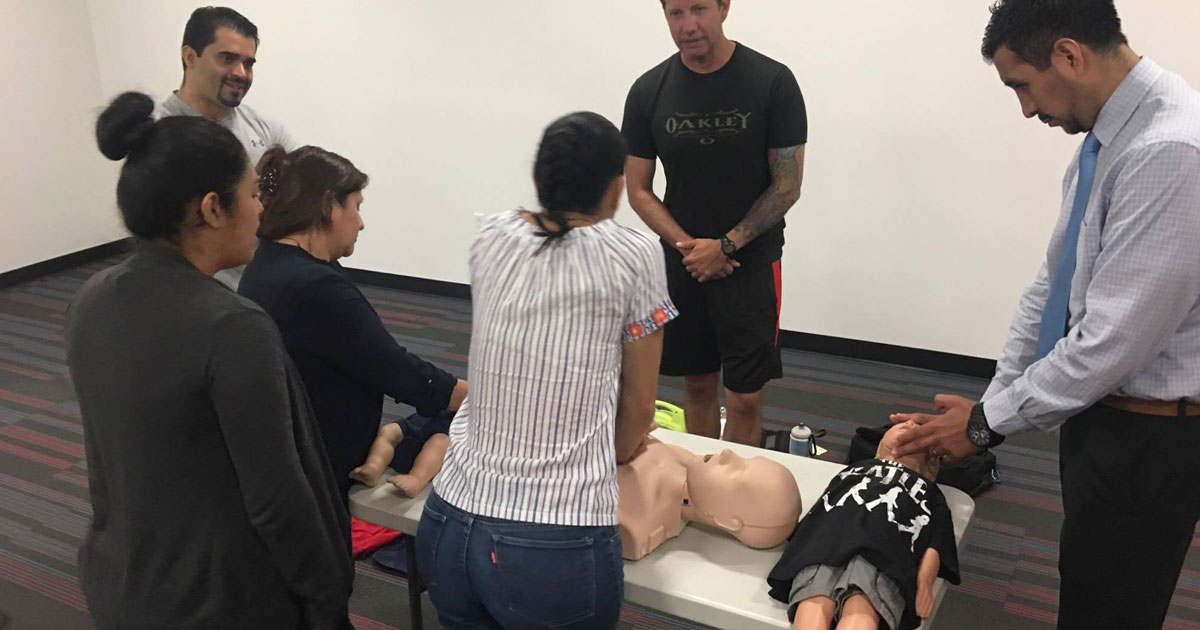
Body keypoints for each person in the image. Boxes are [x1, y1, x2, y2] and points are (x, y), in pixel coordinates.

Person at [888, 2, 1200, 628]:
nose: (1027, 110)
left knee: (1112, 606)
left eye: (1022, 86)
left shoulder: (1170, 150)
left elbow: (1111, 343)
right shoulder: (1110, 140)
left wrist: (984, 425)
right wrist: (991, 404)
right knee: (1087, 580)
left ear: (1068, 54)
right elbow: (1051, 289)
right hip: (1100, 416)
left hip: (1152, 435)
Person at [67, 92, 352, 630]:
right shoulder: (234, 327)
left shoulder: (90, 300)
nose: (261, 208)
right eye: (250, 193)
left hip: (124, 585)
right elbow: (277, 499)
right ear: (212, 208)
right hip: (220, 602)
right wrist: (327, 599)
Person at [415, 112, 676, 630]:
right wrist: (620, 456)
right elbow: (639, 410)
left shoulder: (489, 237)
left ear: (539, 179)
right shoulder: (636, 252)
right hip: (555, 539)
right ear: (617, 187)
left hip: (448, 522)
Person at [622, 0, 808, 446]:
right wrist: (692, 248)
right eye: (676, 14)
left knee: (744, 397)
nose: (688, 26)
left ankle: (736, 488)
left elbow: (787, 186)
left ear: (725, 7)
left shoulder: (772, 82)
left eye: (699, 9)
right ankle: (702, 486)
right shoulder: (649, 91)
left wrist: (725, 246)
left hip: (751, 262)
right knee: (697, 385)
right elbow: (638, 190)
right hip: (684, 264)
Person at [238, 145, 467, 502]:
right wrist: (478, 397)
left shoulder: (271, 263)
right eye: (356, 207)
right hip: (317, 472)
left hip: (289, 455)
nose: (361, 222)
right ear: (329, 206)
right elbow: (398, 371)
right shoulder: (313, 286)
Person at [768, 423, 960, 630]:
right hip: (826, 543)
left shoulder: (929, 490)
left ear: (931, 465)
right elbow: (825, 504)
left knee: (862, 606)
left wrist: (924, 579)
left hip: (884, 551)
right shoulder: (854, 469)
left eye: (920, 435)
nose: (912, 425)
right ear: (880, 447)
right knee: (814, 602)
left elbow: (938, 539)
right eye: (903, 426)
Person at [157, 6, 294, 288]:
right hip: (191, 293)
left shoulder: (267, 130)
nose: (241, 73)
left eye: (249, 63)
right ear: (189, 57)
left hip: (265, 281)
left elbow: (297, 198)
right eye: (228, 58)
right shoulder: (156, 134)